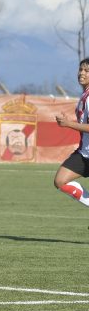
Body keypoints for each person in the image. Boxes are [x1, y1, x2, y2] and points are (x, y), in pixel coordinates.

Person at [54, 57, 89, 208]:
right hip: (84, 153)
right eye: (81, 69)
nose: (81, 73)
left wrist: (68, 124)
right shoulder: (84, 95)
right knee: (60, 180)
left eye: (87, 71)